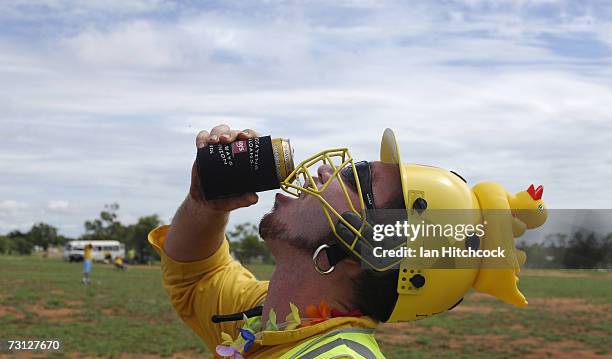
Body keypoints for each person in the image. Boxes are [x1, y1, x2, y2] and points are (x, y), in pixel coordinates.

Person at [149, 124, 544, 358]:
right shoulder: (270, 317)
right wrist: (206, 205)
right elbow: (198, 278)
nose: (326, 170)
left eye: (355, 178)